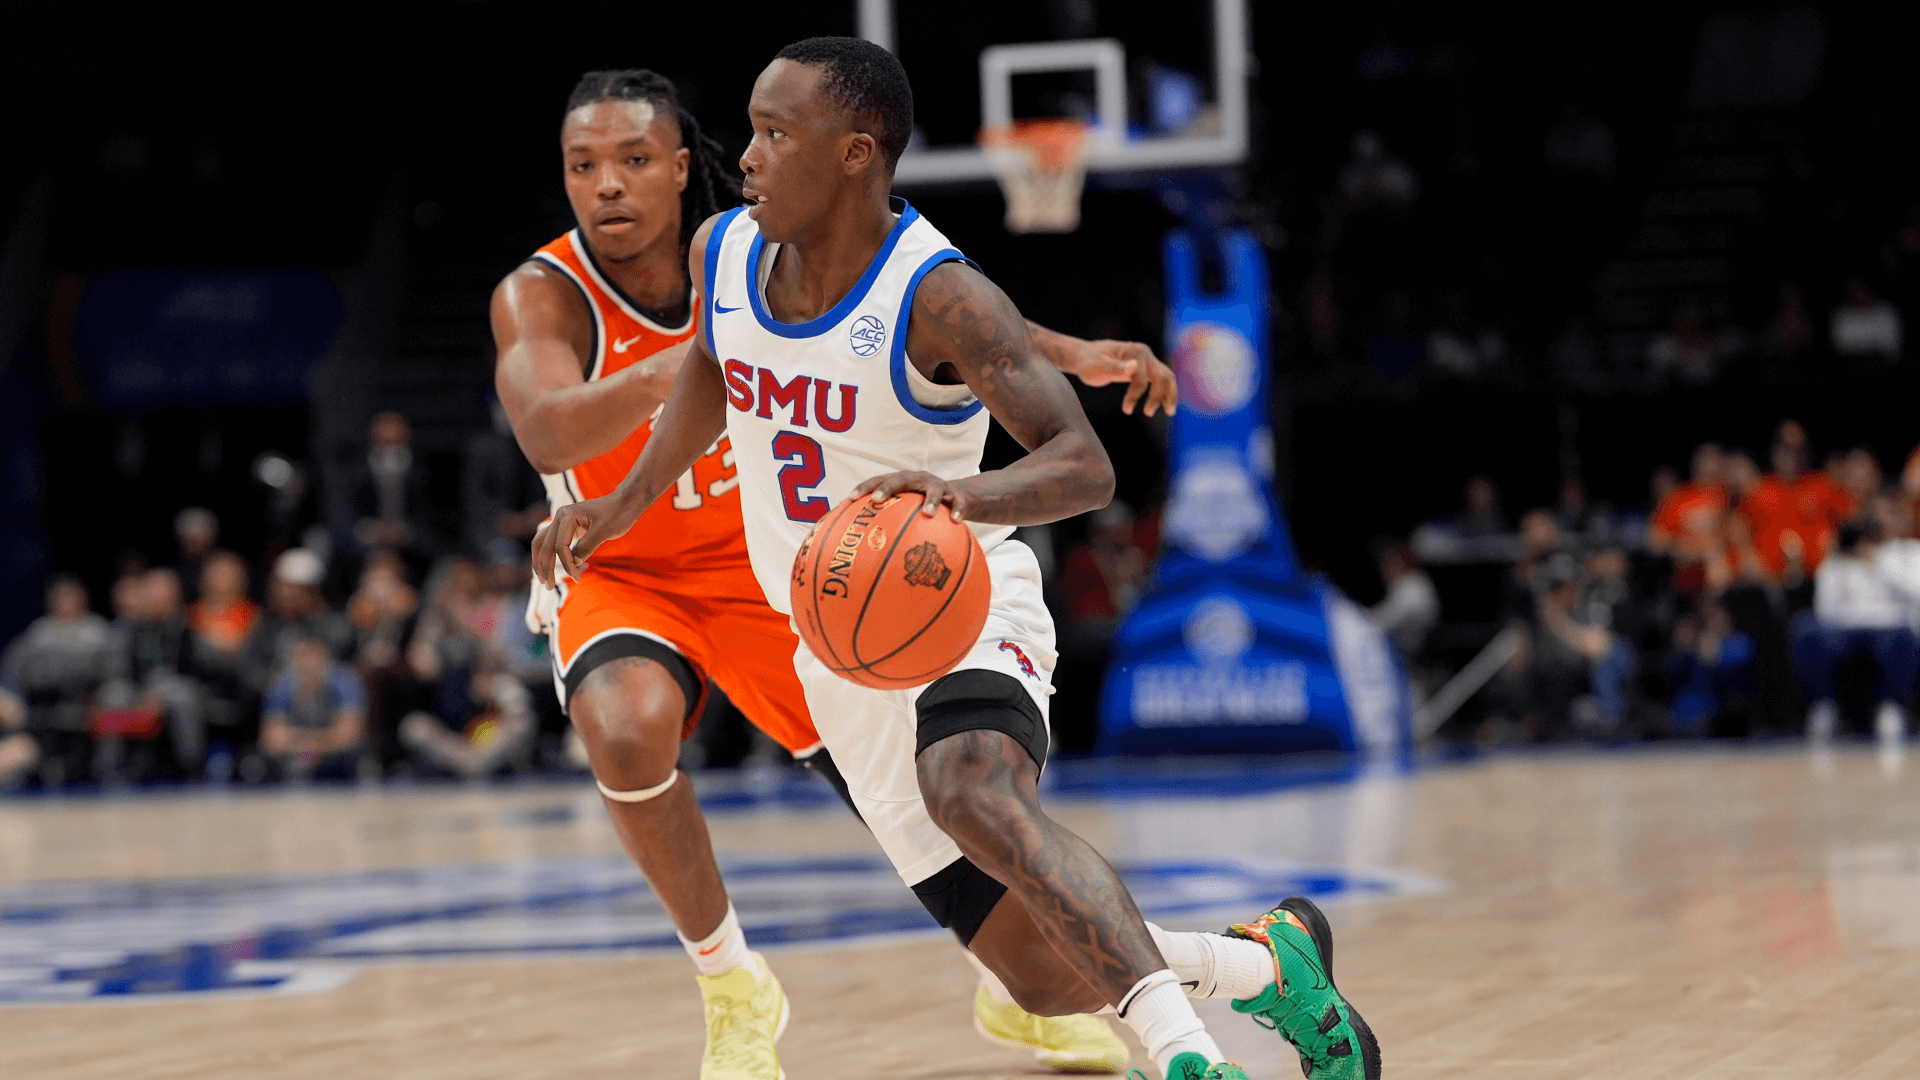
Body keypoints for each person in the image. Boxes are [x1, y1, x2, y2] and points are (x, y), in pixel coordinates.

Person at [537, 39, 1377, 1080]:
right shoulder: (724, 251)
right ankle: (1265, 969)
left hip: (956, 601)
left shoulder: (940, 296)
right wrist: (619, 504)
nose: (745, 157)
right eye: (751, 129)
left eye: (773, 133)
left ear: (853, 154)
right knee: (1042, 976)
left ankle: (1185, 1059)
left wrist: (961, 494)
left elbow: (1084, 467)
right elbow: (712, 367)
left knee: (971, 789)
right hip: (831, 644)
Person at [1792, 523, 1917, 746]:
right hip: (1844, 629)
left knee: (1905, 637)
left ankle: (1891, 706)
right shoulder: (1838, 563)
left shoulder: (1900, 555)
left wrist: (1878, 565)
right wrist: (1835, 564)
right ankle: (1824, 704)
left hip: (1888, 626)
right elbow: (1824, 608)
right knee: (1805, 627)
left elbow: (1915, 594)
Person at [0, 576, 124, 786]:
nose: (67, 602)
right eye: (61, 597)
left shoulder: (99, 633)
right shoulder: (38, 635)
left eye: (72, 596)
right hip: (40, 717)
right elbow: (12, 675)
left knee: (117, 697)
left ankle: (109, 769)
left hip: (90, 709)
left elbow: (115, 673)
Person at [260, 633, 368, 780]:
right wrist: (308, 745)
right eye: (303, 657)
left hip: (339, 761)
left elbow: (349, 735)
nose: (309, 663)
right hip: (294, 758)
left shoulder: (346, 681)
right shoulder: (282, 684)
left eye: (314, 656)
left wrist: (311, 744)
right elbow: (272, 740)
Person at [1648, 443, 1729, 596]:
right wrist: (1685, 550)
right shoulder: (1678, 497)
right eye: (1704, 457)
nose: (1708, 462)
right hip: (1686, 576)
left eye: (1714, 457)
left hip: (1726, 576)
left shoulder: (1730, 496)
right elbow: (1657, 540)